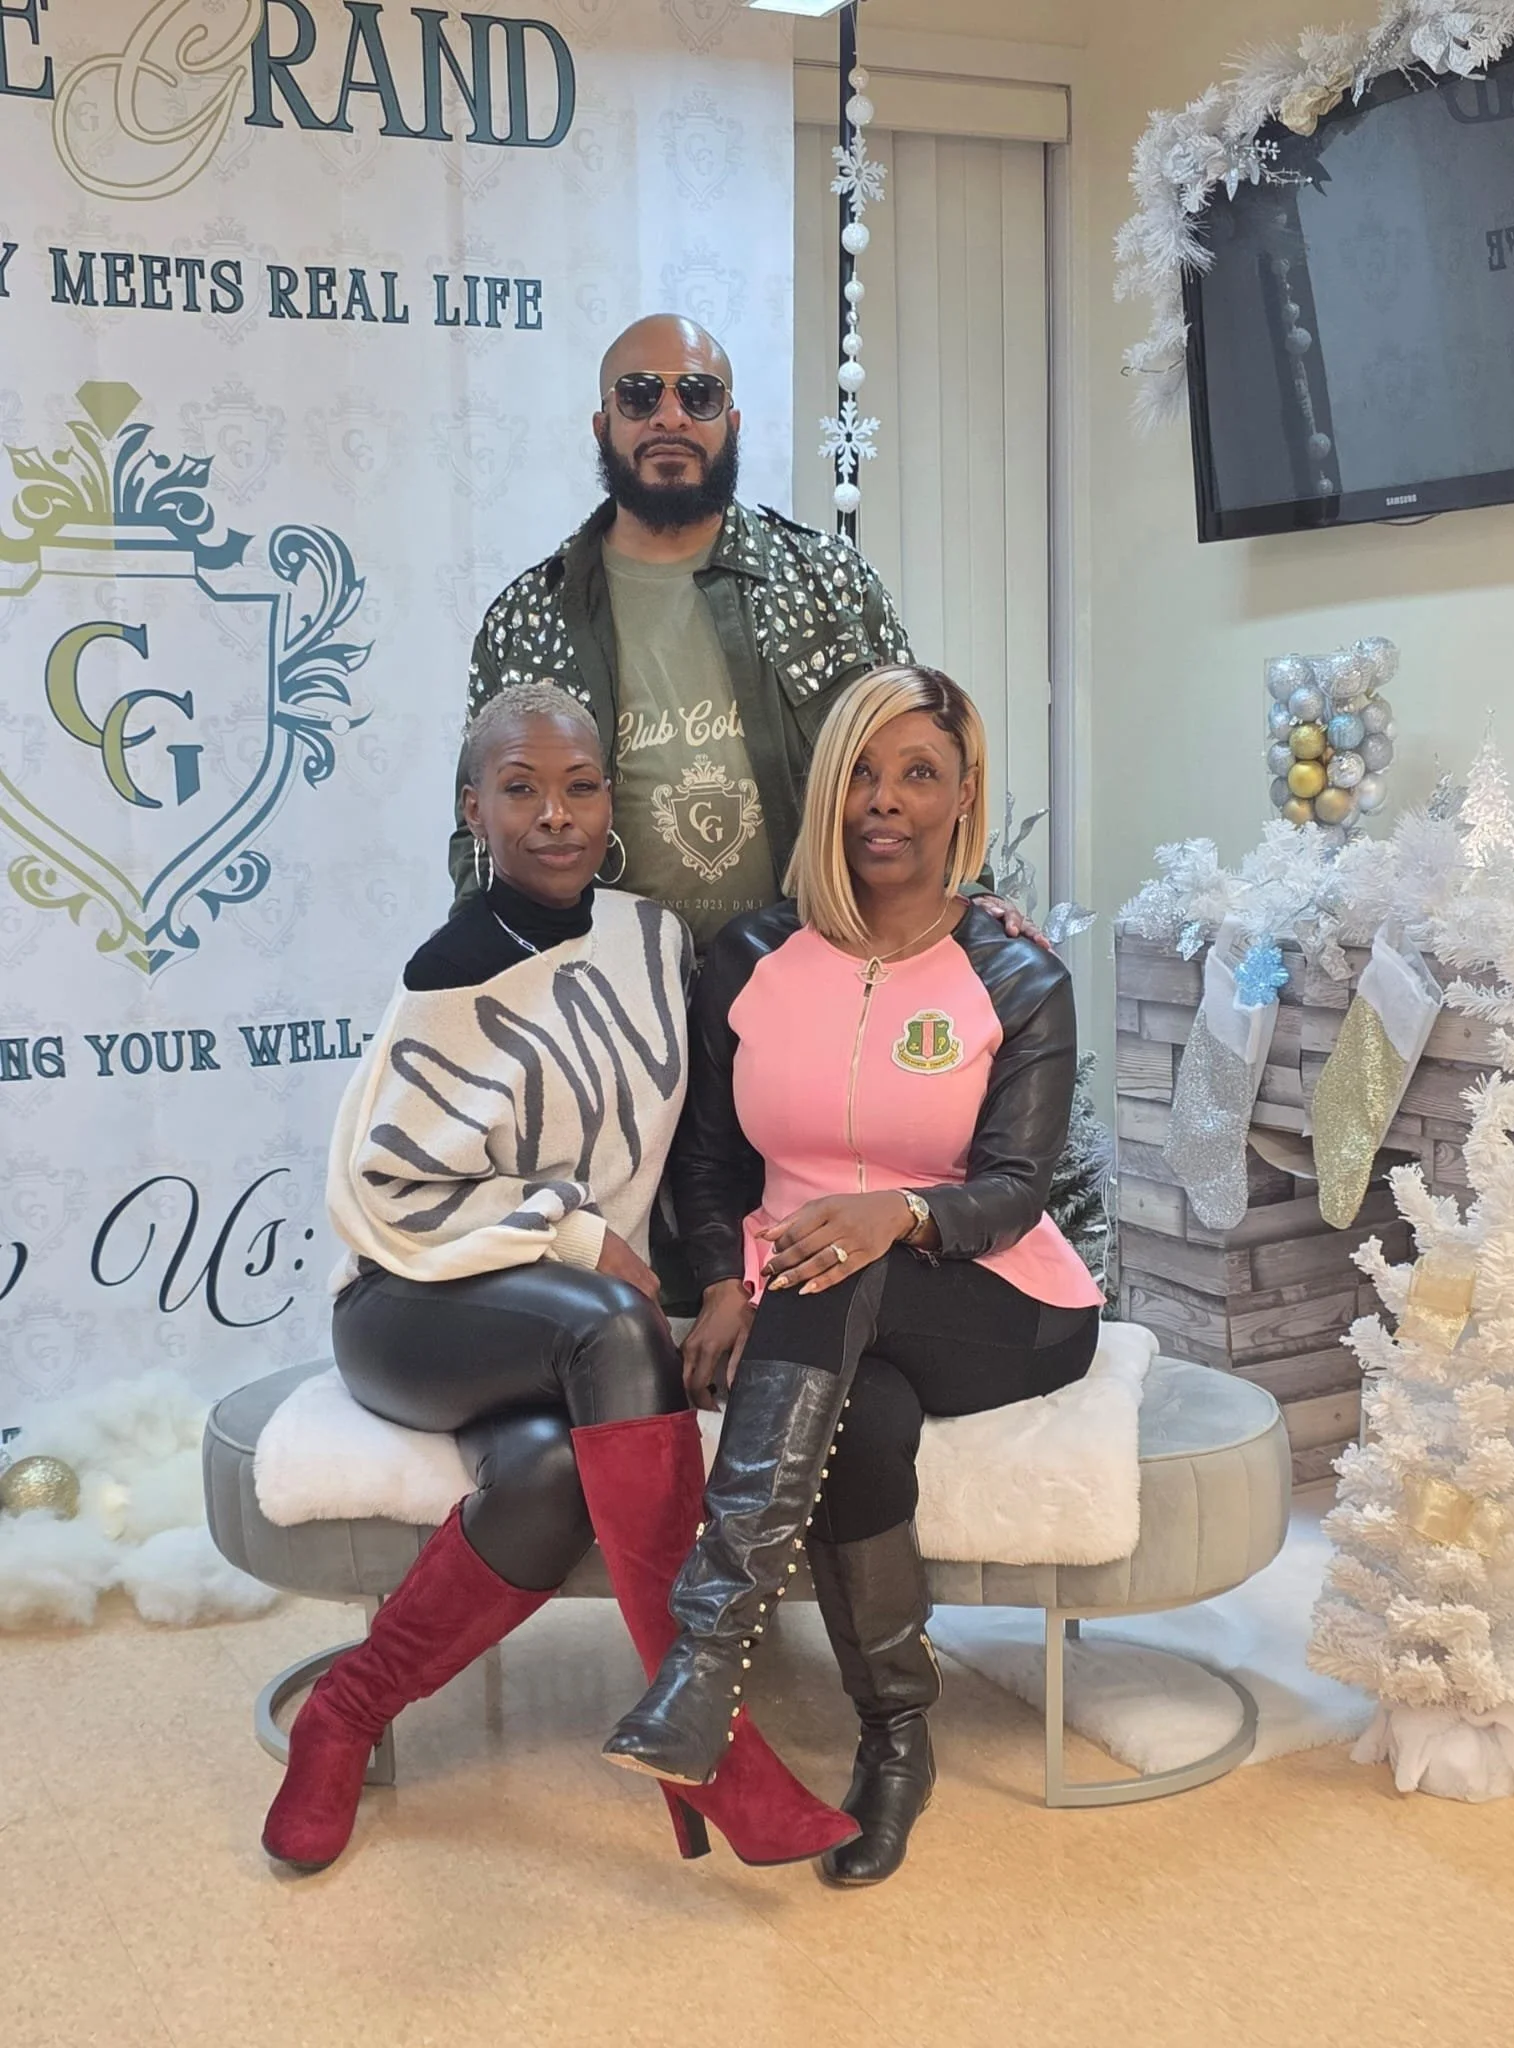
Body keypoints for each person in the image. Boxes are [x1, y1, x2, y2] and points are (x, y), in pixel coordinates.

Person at [261, 683, 857, 1877]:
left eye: (580, 787)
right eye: (521, 788)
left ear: (609, 800)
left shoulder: (652, 940)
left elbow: (709, 1118)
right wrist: (578, 1236)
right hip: (410, 1302)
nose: (555, 814)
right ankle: (708, 1735)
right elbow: (385, 1189)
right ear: (472, 806)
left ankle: (344, 1710)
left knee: (544, 1474)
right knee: (612, 1327)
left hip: (561, 1320)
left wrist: (722, 1275)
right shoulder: (448, 969)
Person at [601, 665, 1106, 1887]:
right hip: (808, 1298)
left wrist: (901, 1214)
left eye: (918, 774)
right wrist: (725, 1279)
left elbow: (1014, 1188)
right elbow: (708, 1161)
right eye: (862, 774)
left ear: (962, 795)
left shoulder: (1016, 974)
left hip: (998, 1297)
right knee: (861, 1417)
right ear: (828, 791)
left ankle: (706, 1650)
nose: (886, 800)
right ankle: (897, 1738)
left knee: (834, 1273)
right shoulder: (754, 956)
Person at [450, 312, 913, 953]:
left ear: (733, 422)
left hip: (810, 971)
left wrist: (970, 895)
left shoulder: (830, 585)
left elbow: (919, 759)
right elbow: (478, 830)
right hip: (602, 986)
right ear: (602, 425)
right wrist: (478, 959)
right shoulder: (529, 617)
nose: (670, 417)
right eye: (639, 396)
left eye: (699, 395)